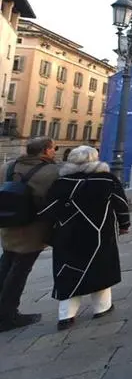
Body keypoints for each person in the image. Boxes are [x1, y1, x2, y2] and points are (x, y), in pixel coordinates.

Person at [38, 146, 130, 330]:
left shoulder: (62, 182)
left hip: (67, 234)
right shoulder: (106, 179)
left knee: (69, 272)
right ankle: (102, 308)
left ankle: (66, 315)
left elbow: (47, 211)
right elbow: (121, 204)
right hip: (98, 233)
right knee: (101, 268)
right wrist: (124, 224)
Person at [0, 137, 60, 332]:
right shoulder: (51, 172)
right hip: (32, 228)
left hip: (8, 224)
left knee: (6, 264)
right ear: (45, 151)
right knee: (20, 270)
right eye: (53, 148)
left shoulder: (8, 166)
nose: (54, 152)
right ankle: (8, 315)